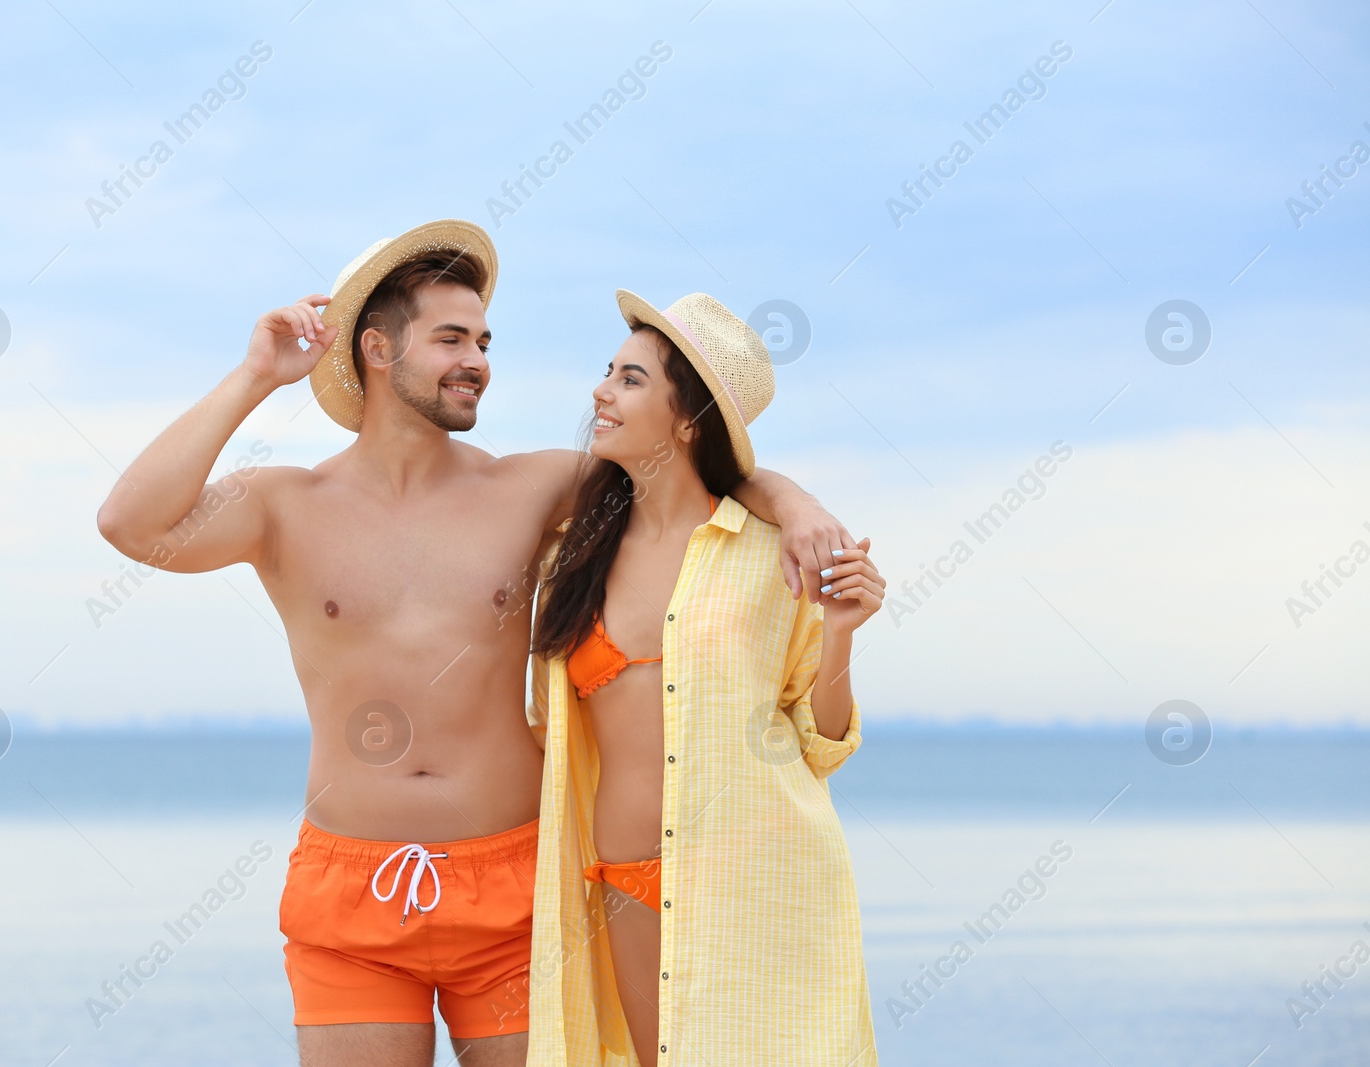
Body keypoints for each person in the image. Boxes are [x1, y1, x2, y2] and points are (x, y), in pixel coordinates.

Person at [95, 220, 858, 1067]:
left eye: (485, 340)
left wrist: (797, 506)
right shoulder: (285, 504)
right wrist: (254, 377)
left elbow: (685, 456)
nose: (479, 360)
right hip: (352, 895)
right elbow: (131, 523)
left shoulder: (526, 487)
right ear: (377, 348)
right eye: (452, 337)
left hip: (518, 889)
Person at [525, 290, 883, 1067]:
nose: (600, 392)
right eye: (608, 372)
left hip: (754, 867)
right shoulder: (571, 556)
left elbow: (821, 744)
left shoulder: (769, 553)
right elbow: (549, 732)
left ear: (687, 418)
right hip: (620, 871)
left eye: (629, 379)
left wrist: (843, 634)